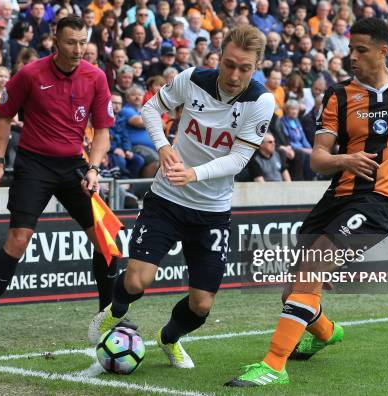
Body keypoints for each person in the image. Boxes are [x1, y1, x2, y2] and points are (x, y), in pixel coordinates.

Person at [225, 17, 388, 387]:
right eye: (350, 49)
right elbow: (318, 158)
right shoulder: (339, 95)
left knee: (311, 273)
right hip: (336, 198)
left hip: (378, 203)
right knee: (293, 290)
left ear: (384, 51)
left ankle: (274, 365)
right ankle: (326, 332)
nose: (351, 56)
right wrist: (345, 160)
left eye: (361, 50)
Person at [88, 25, 275, 368]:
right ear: (219, 56)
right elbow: (149, 109)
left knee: (202, 305)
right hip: (167, 198)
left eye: (244, 68)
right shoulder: (192, 79)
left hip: (213, 210)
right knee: (136, 279)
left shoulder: (261, 102)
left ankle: (168, 338)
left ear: (256, 66)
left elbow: (240, 159)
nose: (234, 75)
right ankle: (115, 312)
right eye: (229, 64)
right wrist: (161, 147)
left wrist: (194, 173)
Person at [0, 16, 119, 340]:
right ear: (55, 39)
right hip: (33, 165)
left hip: (74, 166)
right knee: (18, 239)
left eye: (82, 42)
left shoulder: (96, 77)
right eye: (71, 42)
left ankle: (105, 318)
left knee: (107, 243)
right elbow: (4, 118)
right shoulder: (30, 74)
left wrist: (93, 168)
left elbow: (103, 131)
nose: (78, 49)